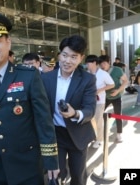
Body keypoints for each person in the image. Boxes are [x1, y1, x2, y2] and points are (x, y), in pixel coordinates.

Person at [0, 12, 59, 185]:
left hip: (26, 165)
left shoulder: (29, 77)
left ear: (8, 42)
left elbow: (43, 121)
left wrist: (50, 160)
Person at [41, 35, 97, 185]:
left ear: (81, 58)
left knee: (78, 176)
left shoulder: (88, 79)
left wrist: (75, 113)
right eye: (64, 55)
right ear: (59, 55)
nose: (68, 61)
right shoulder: (46, 78)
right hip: (55, 135)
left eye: (74, 57)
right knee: (55, 175)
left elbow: (90, 109)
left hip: (78, 134)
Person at [85, 55, 115, 148]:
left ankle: (99, 139)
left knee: (98, 120)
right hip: (88, 101)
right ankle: (93, 136)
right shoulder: (87, 73)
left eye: (88, 63)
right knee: (90, 119)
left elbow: (112, 84)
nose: (87, 65)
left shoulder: (103, 74)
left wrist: (100, 90)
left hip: (99, 101)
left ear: (94, 63)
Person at [98, 55, 128, 143]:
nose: (102, 66)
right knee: (98, 114)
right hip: (104, 97)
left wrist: (118, 91)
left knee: (118, 115)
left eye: (104, 63)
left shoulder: (117, 70)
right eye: (101, 64)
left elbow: (125, 81)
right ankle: (99, 135)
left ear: (109, 62)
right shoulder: (99, 72)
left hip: (116, 96)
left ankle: (119, 134)